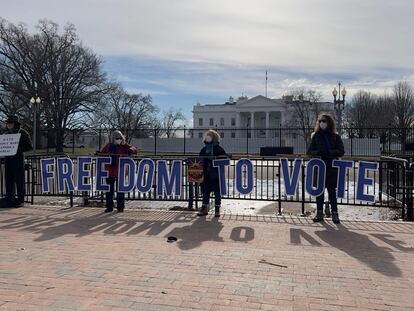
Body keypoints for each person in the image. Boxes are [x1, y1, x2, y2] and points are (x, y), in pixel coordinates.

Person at [307, 113, 344, 224]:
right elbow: (309, 151)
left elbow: (341, 151)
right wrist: (318, 152)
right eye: (320, 121)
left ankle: (335, 213)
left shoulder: (335, 136)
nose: (322, 123)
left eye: (324, 121)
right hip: (320, 167)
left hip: (332, 167)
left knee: (332, 191)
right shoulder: (316, 136)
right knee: (320, 192)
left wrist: (330, 153)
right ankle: (319, 213)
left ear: (329, 123)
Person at [100, 130, 137, 213]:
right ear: (113, 138)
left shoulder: (124, 145)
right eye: (117, 138)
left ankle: (120, 207)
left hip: (121, 171)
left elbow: (134, 149)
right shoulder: (108, 146)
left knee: (120, 190)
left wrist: (130, 150)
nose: (119, 139)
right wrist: (100, 153)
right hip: (110, 171)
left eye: (120, 138)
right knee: (109, 190)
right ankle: (109, 206)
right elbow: (102, 153)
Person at [0, 115, 33, 208]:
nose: (8, 125)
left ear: (15, 124)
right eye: (7, 123)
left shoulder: (23, 133)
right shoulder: (6, 134)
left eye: (10, 123)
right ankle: (10, 198)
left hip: (18, 160)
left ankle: (20, 200)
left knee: (19, 181)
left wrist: (17, 150)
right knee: (8, 180)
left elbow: (29, 146)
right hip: (8, 160)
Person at [198, 129, 228, 217]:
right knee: (209, 191)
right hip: (212, 173)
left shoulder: (207, 149)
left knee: (208, 191)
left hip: (211, 173)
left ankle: (211, 209)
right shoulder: (217, 148)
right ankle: (213, 209)